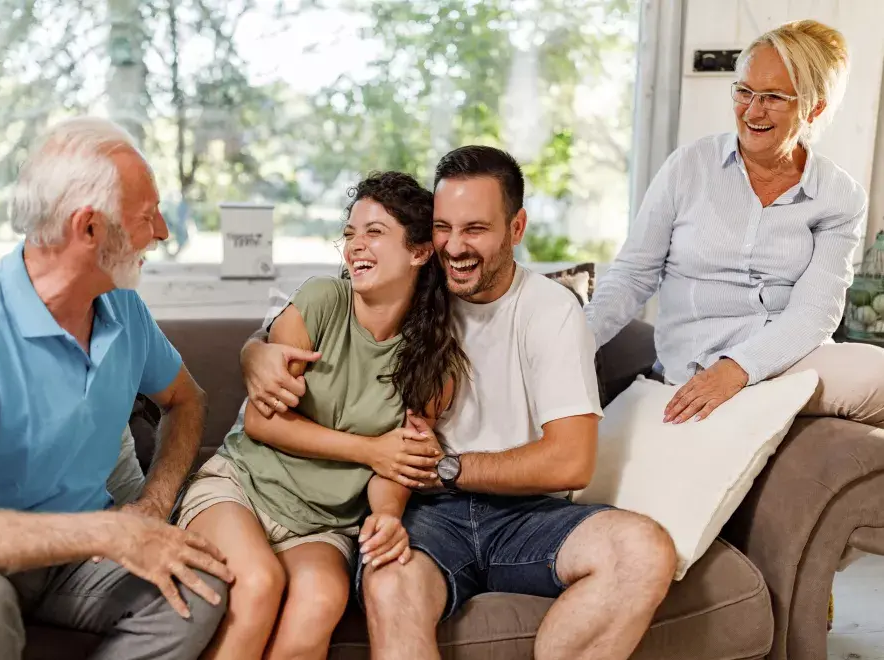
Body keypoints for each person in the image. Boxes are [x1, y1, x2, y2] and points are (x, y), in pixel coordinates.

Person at [242, 147, 677, 660]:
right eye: (443, 228)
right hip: (426, 515)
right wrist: (254, 352)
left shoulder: (551, 312)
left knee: (643, 549)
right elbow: (321, 310)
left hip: (526, 516)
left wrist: (445, 467)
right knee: (389, 582)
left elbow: (570, 462)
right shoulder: (411, 287)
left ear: (516, 228)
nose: (455, 247)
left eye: (475, 229)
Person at [0, 117, 232, 660]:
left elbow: (187, 399)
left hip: (72, 564)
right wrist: (103, 534)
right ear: (90, 228)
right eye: (147, 216)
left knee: (197, 586)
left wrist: (154, 502)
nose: (164, 232)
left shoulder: (123, 308)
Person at [174, 171, 467, 659]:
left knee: (321, 599)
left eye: (375, 232)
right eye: (350, 233)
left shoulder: (436, 362)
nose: (356, 245)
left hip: (325, 524)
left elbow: (398, 464)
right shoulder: (321, 302)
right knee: (259, 582)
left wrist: (389, 516)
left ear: (419, 252)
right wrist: (369, 448)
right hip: (241, 488)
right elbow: (261, 422)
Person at [586, 20, 882, 427]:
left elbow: (815, 312)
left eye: (774, 97)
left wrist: (737, 369)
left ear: (814, 107)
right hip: (689, 367)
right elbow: (633, 276)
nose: (752, 110)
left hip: (785, 364)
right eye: (744, 91)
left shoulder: (840, 196)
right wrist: (576, 343)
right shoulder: (687, 167)